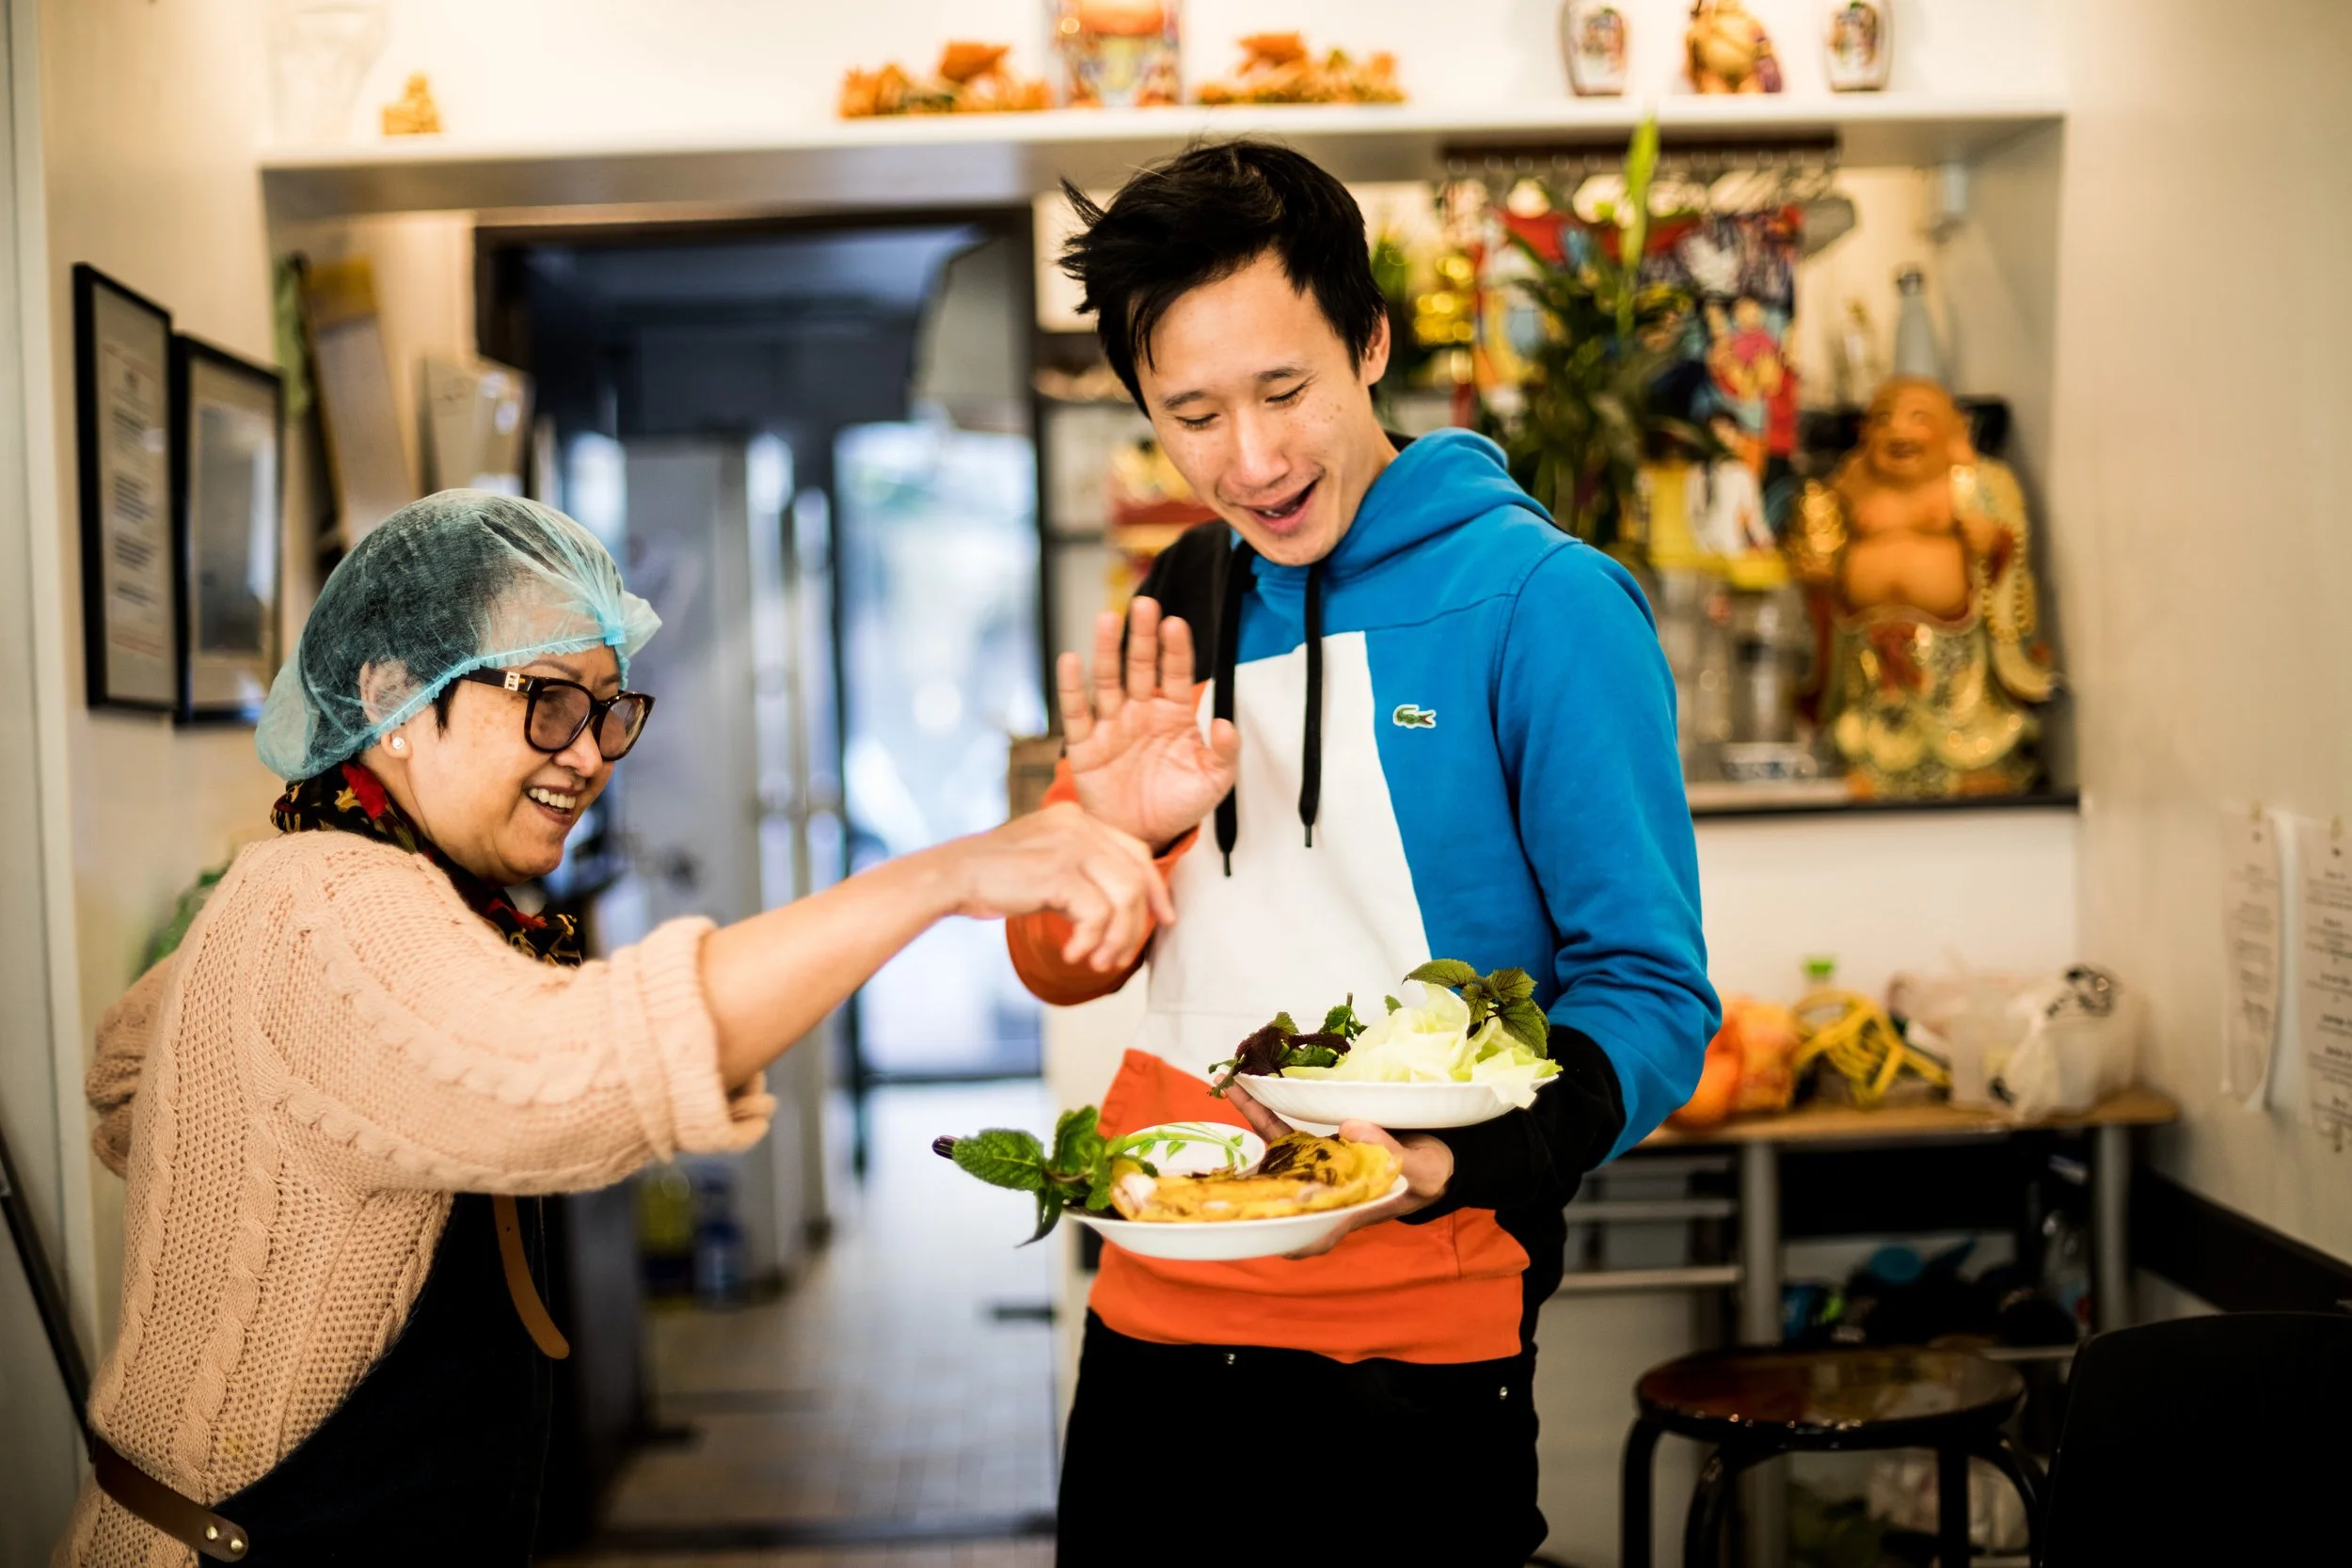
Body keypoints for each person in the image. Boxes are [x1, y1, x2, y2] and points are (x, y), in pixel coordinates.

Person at [60, 492, 1168, 1566]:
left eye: (606, 708)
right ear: (394, 696)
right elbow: (573, 1068)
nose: (588, 751)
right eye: (545, 699)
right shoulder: (325, 900)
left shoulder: (376, 894)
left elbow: (126, 1068)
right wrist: (946, 873)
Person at [1008, 142, 1718, 1562]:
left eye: (1286, 390)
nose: (1252, 461)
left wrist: (1463, 1161)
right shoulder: (1183, 594)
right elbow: (1065, 969)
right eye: (1191, 413)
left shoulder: (1545, 602)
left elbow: (1650, 993)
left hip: (1418, 1325)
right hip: (1159, 1289)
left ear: (1372, 340)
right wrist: (1098, 841)